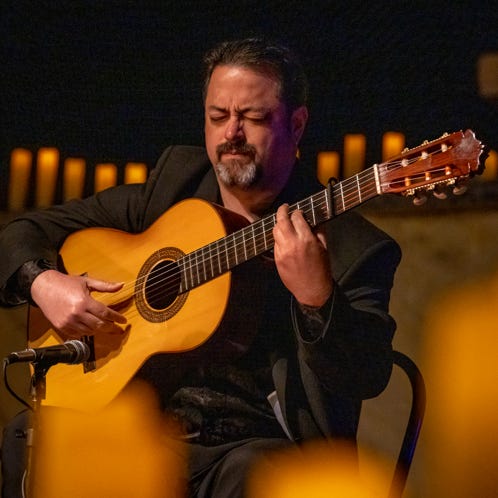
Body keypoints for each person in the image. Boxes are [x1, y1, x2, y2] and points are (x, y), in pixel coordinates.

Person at [0, 38, 401, 497]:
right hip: (140, 421)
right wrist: (44, 282)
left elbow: (367, 376)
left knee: (258, 475)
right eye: (217, 117)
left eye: (252, 117)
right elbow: (21, 231)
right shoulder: (174, 189)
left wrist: (318, 298)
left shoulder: (356, 246)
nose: (231, 133)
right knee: (28, 436)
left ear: (297, 123)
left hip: (248, 445)